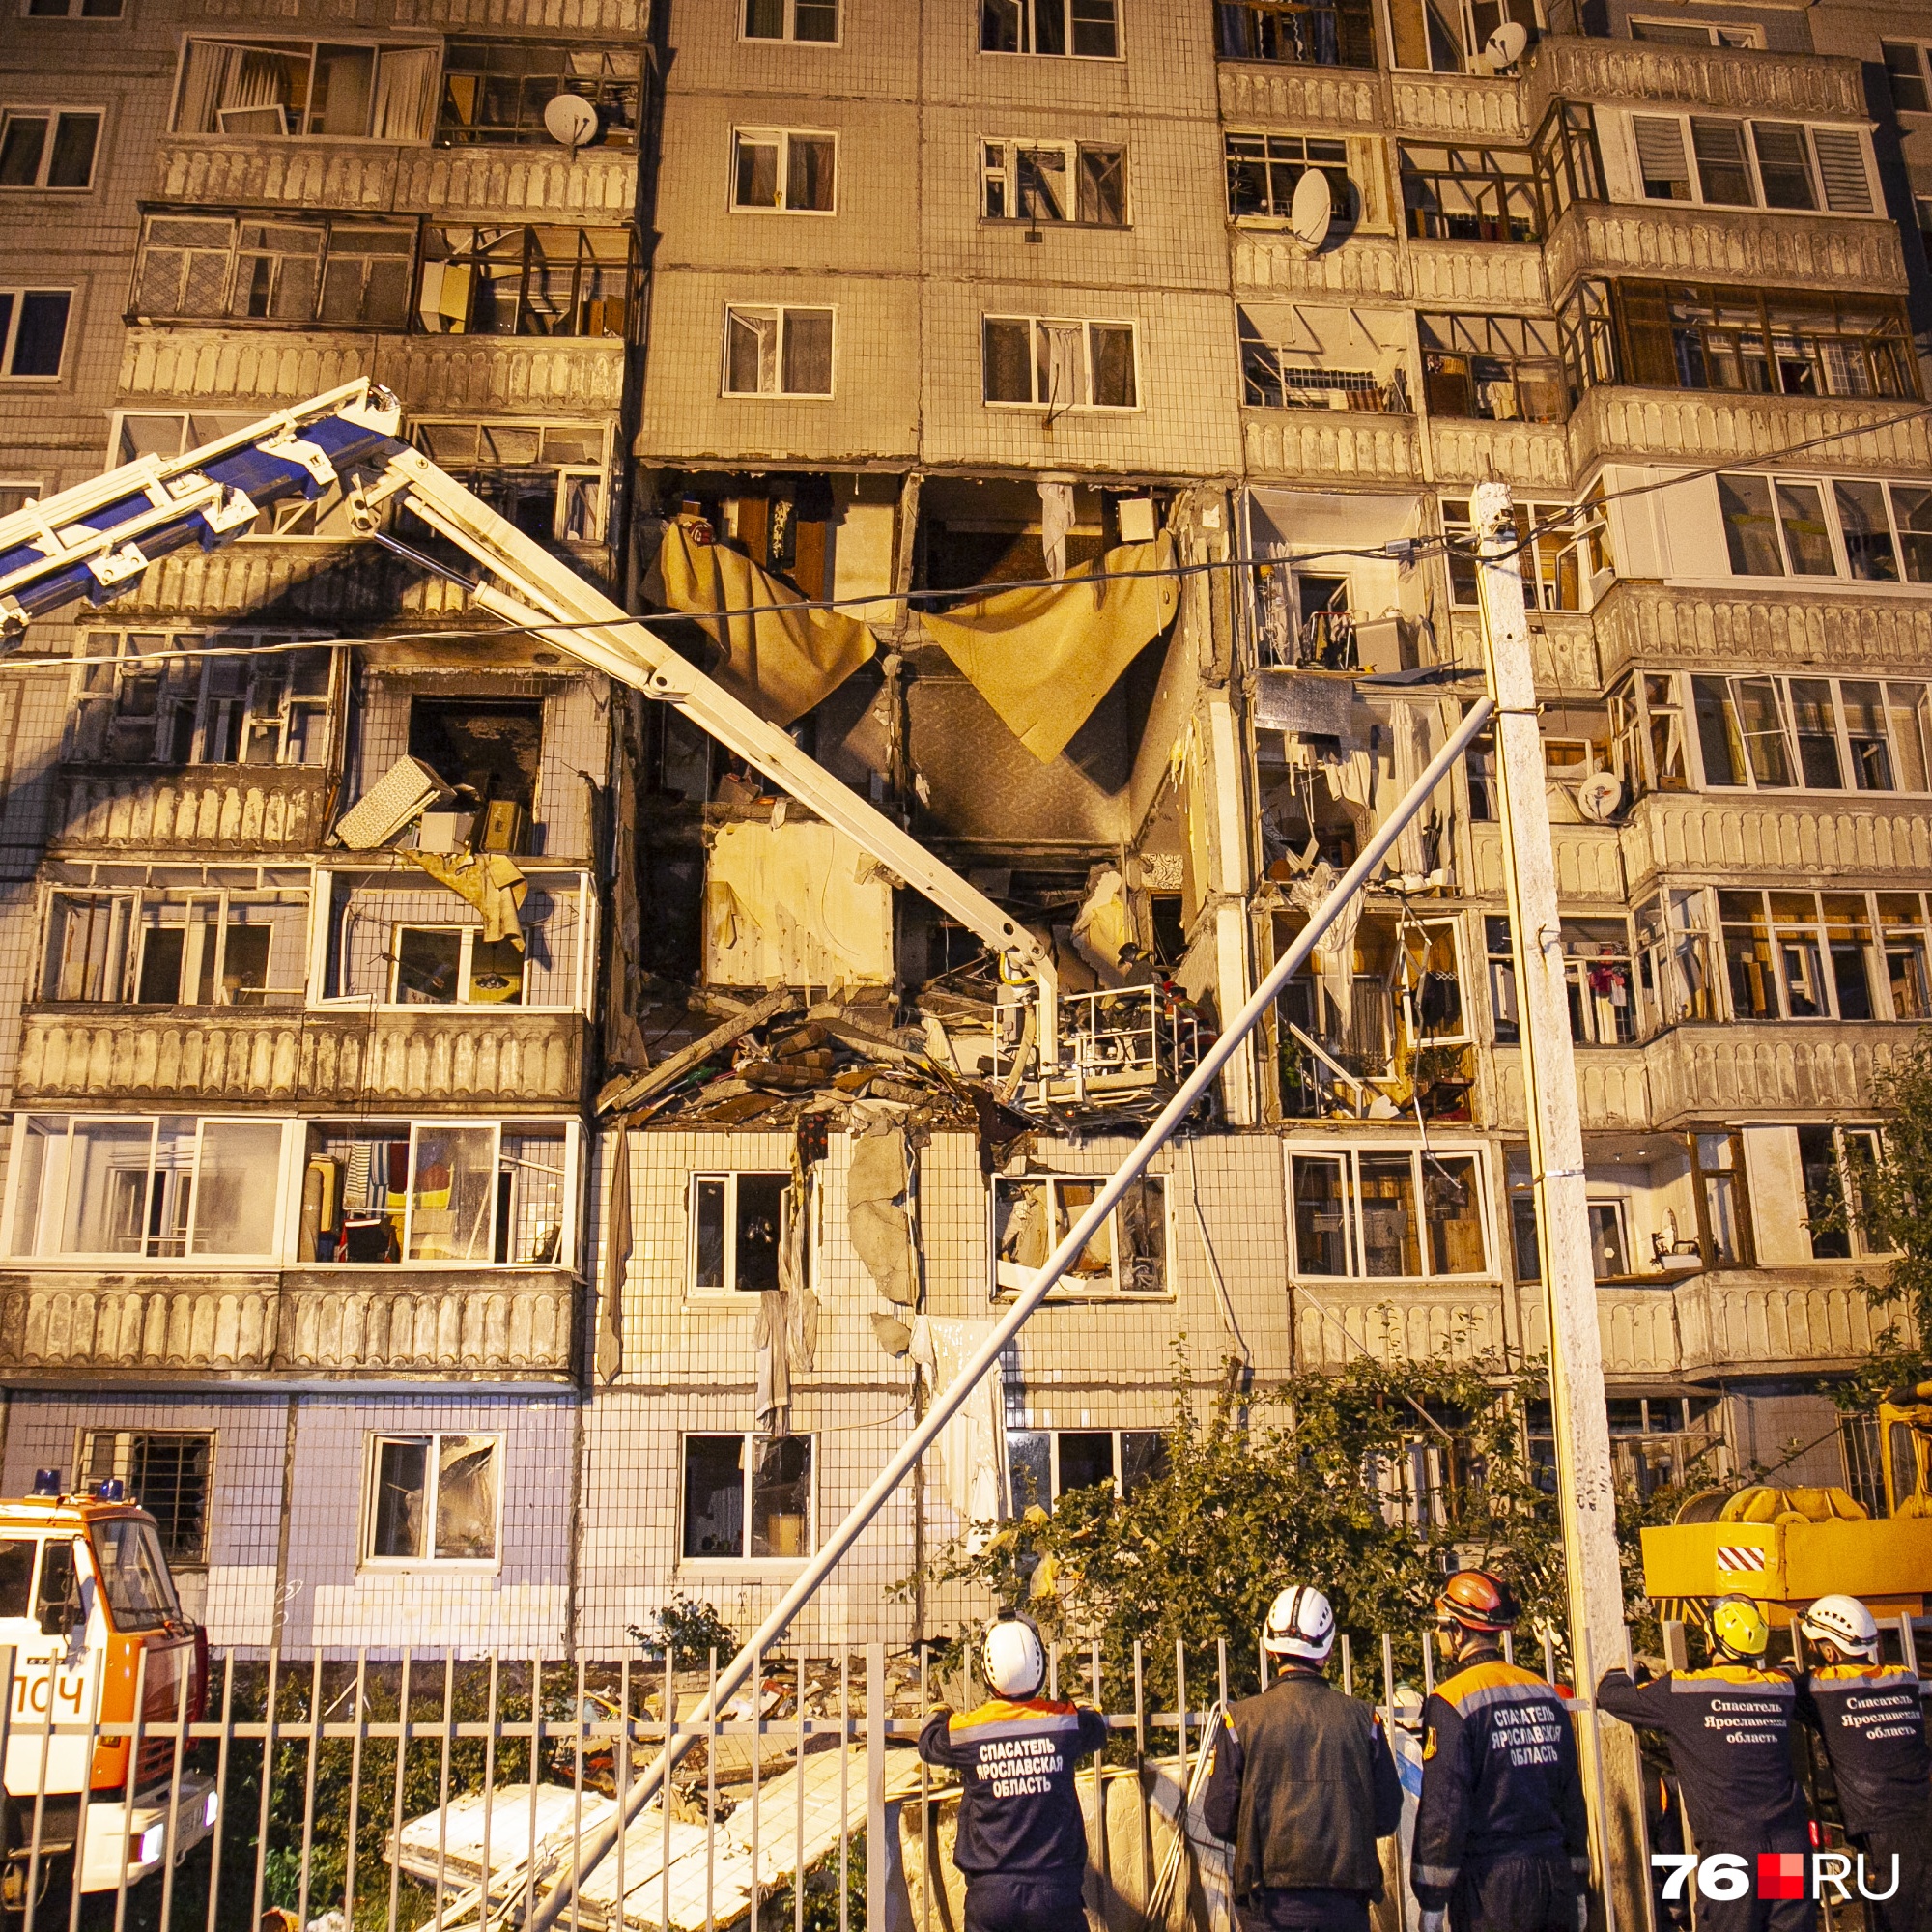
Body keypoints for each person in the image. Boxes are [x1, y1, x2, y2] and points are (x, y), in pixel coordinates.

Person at [1595, 1595, 1810, 1932]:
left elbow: (1613, 1697)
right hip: (1786, 1843)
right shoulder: (1779, 1688)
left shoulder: (1682, 1690)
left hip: (1732, 1848)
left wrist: (1620, 1671)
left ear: (1711, 1637)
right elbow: (1788, 1674)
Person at [1203, 1583, 1404, 1931]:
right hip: (1345, 1906)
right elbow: (1386, 1816)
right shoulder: (1364, 1720)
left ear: (1270, 1649)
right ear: (1326, 1652)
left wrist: (1259, 1834)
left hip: (1268, 1905)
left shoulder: (1240, 1721)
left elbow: (1219, 1817)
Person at [1410, 1569, 1590, 1932]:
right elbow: (1572, 1798)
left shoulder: (1451, 1701)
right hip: (1554, 1876)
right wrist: (1578, 1885)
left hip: (1492, 1886)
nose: (1438, 1635)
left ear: (1458, 1630)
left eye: (1442, 1626)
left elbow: (1444, 1812)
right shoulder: (1544, 1692)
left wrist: (1432, 1901)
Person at [917, 1610, 1109, 1932]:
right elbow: (1095, 1727)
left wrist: (939, 1712)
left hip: (992, 1896)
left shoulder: (970, 1729)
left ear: (988, 1672)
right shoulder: (1063, 1722)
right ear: (1040, 1665)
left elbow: (929, 1743)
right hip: (1055, 1892)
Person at [1795, 1592, 1932, 1932]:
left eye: (1815, 1646)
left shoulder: (1821, 1688)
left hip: (1886, 1827)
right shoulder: (1904, 1678)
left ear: (1830, 1651)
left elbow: (1779, 1690)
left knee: (1900, 1920)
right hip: (1921, 1812)